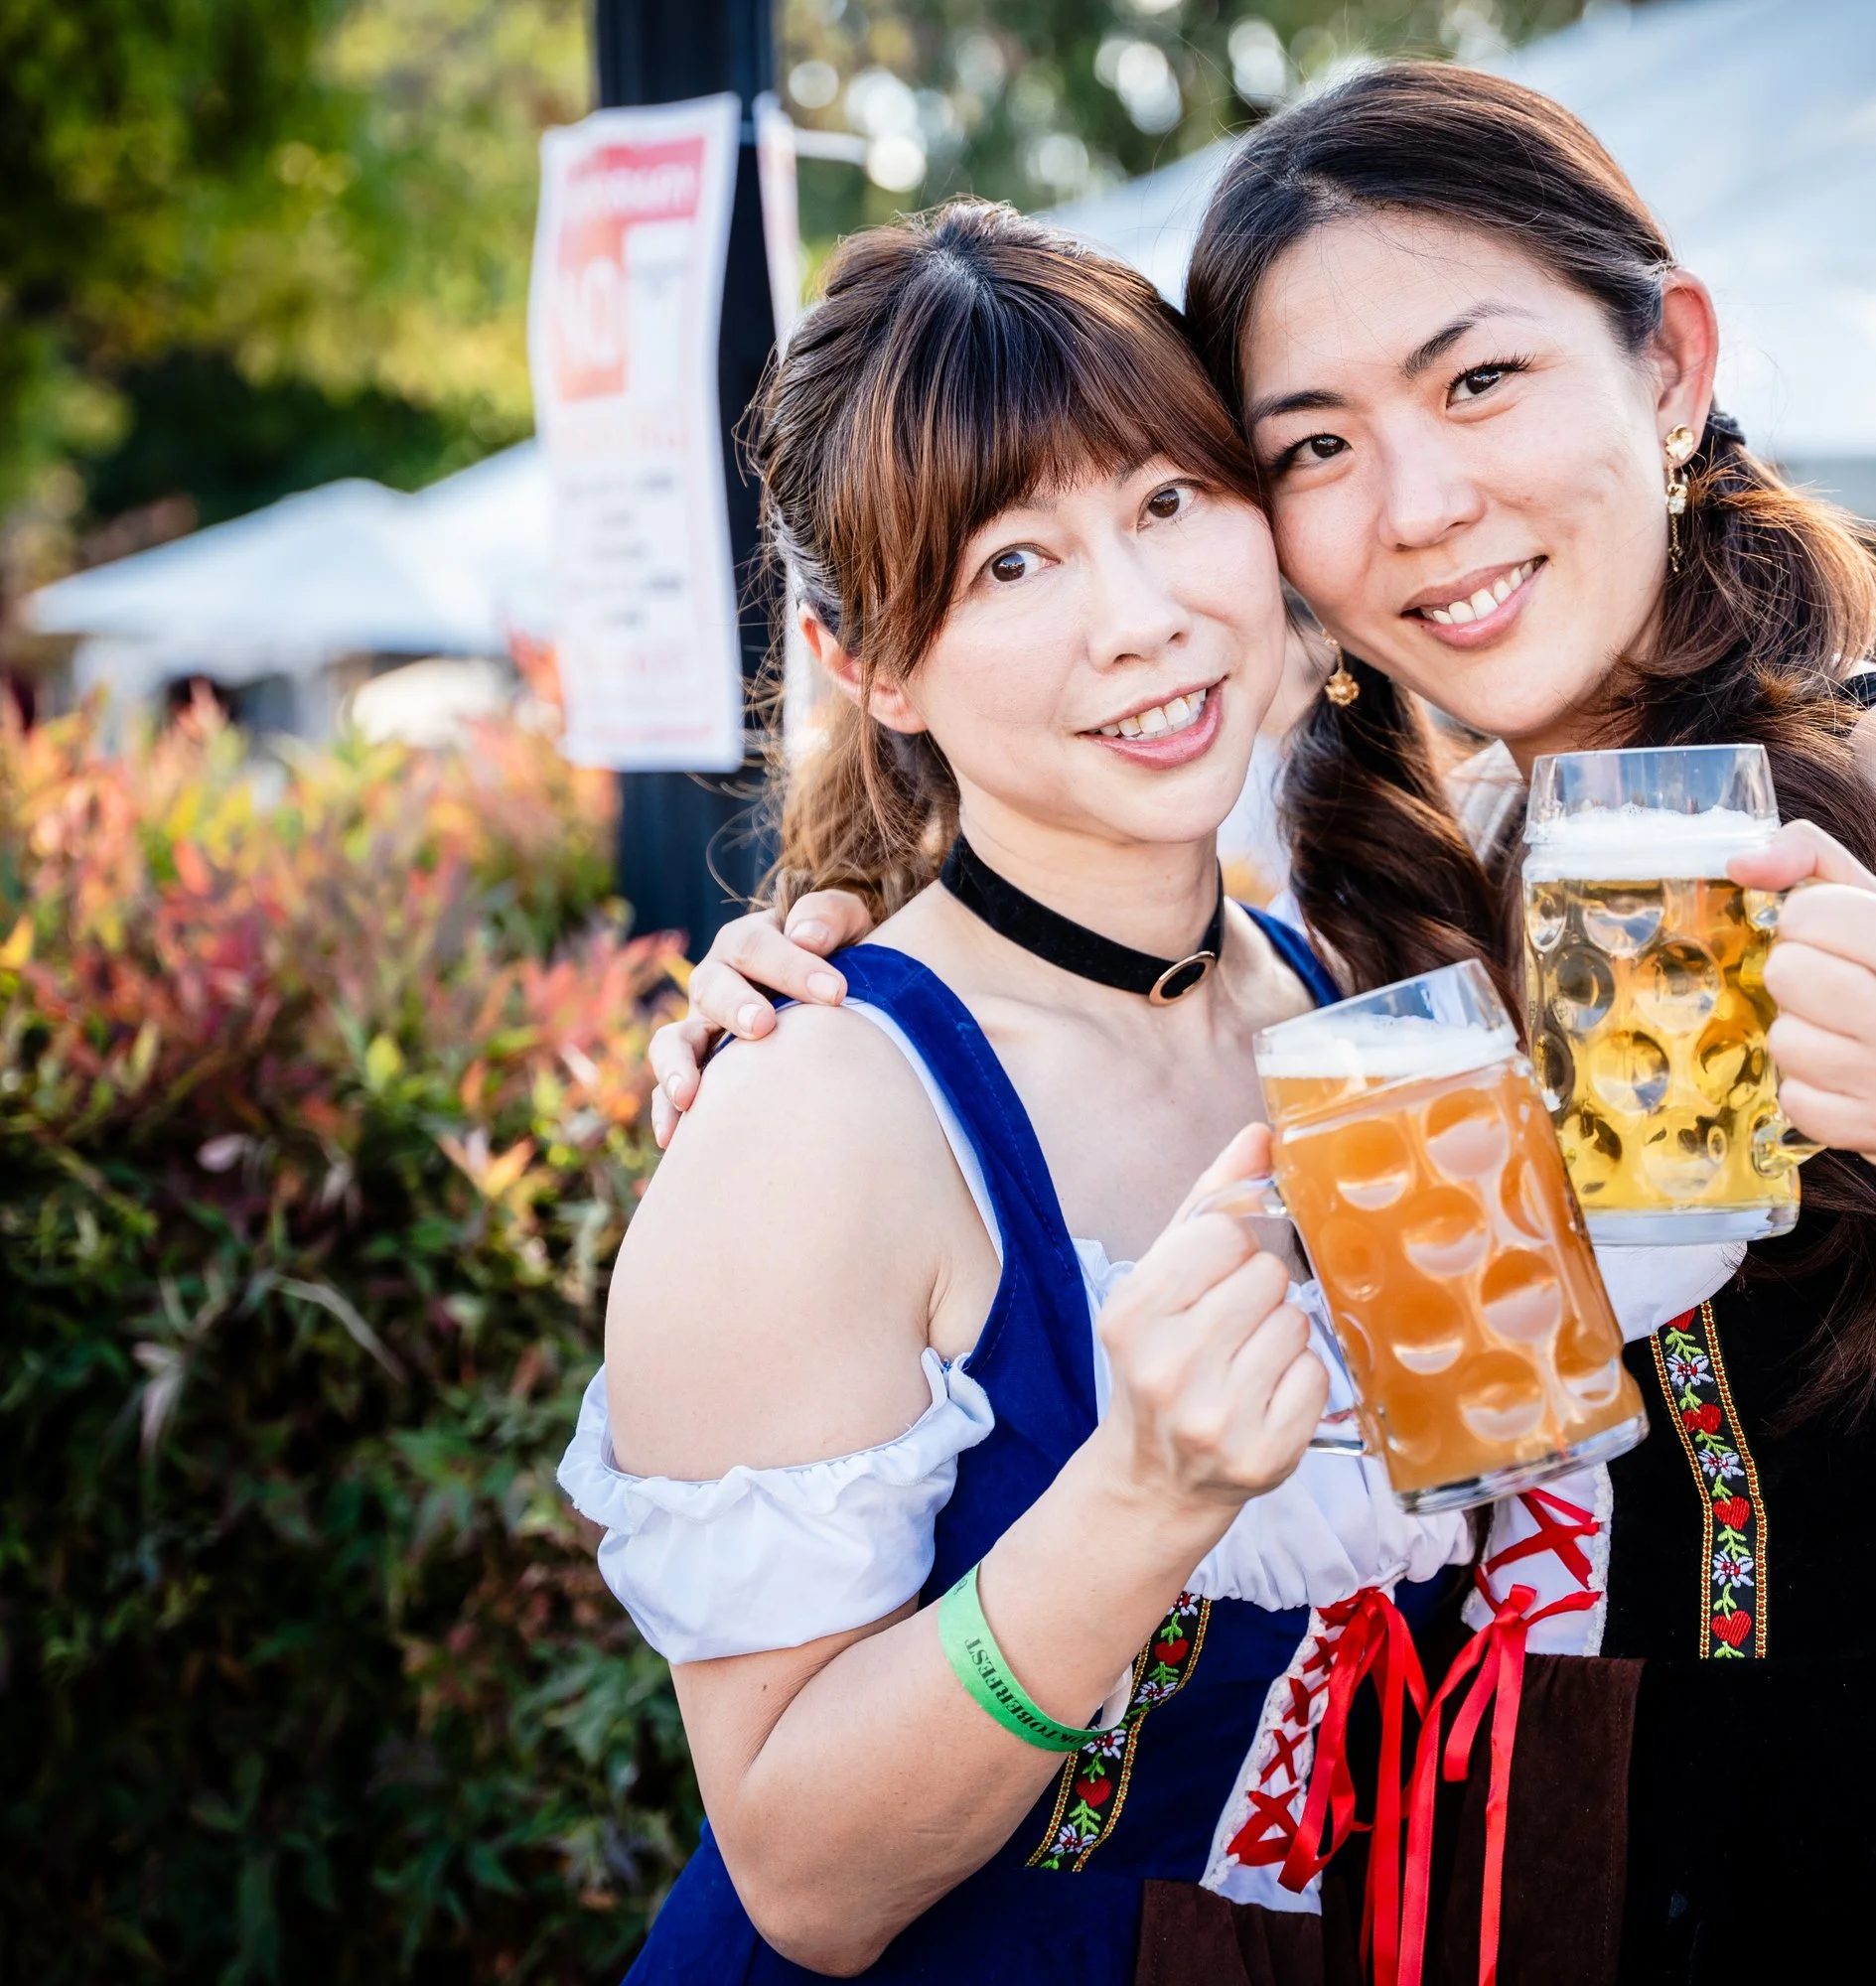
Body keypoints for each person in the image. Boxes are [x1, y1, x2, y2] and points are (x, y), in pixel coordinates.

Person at [650, 64, 1876, 1980]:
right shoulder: (1352, 910)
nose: (1420, 505)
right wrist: (800, 992)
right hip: (1485, 1890)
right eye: (1310, 447)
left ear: (1667, 365)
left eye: (1480, 382)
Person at [561, 203, 1477, 1983]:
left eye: (1165, 504)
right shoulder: (819, 1118)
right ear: (868, 664)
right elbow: (804, 1881)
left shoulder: (1352, 1004)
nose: (1138, 620)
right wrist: (1141, 1497)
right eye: (1010, 566)